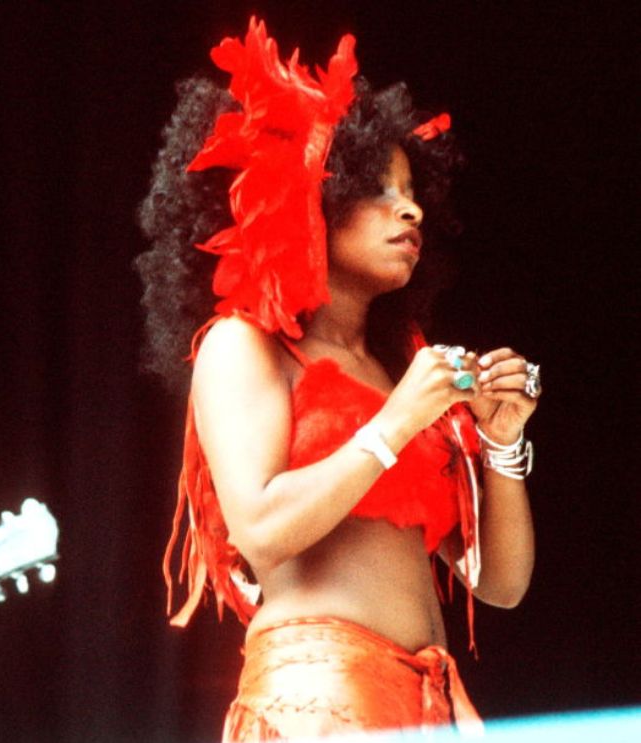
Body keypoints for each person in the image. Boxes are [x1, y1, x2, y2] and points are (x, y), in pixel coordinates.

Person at [137, 19, 540, 740]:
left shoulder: (397, 371)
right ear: (309, 199)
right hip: (318, 699)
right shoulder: (242, 347)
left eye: (412, 190)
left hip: (431, 703)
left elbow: (500, 584)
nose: (409, 208)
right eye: (379, 191)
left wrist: (501, 448)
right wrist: (395, 423)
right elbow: (259, 529)